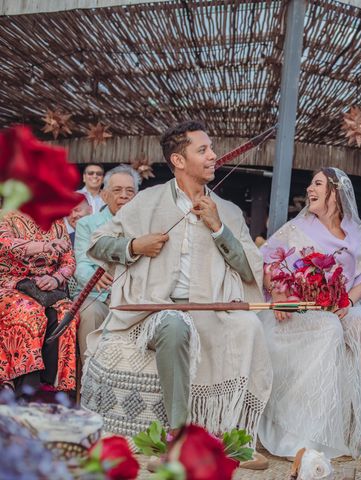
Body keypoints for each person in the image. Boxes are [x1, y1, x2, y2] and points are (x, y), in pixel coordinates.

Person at [81, 121, 272, 455]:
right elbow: (98, 244)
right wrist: (135, 245)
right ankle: (181, 436)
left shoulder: (227, 211)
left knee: (250, 325)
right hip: (151, 309)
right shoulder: (146, 201)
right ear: (179, 161)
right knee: (173, 322)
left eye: (211, 149)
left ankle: (235, 434)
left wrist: (218, 228)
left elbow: (248, 269)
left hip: (212, 309)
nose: (214, 156)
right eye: (204, 150)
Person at [259, 168, 361, 459]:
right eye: (310, 184)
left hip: (337, 305)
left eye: (317, 184)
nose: (309, 189)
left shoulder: (356, 234)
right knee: (330, 328)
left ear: (336, 193)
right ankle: (307, 433)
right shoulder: (297, 227)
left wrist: (346, 302)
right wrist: (280, 291)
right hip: (300, 310)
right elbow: (267, 262)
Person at [0, 211, 78, 394]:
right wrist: (44, 246)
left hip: (46, 287)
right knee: (29, 310)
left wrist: (56, 279)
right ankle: (26, 388)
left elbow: (69, 260)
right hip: (9, 284)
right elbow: (5, 244)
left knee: (67, 312)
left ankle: (55, 387)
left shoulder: (56, 221)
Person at [74, 164, 140, 359]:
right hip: (98, 295)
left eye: (130, 191)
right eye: (117, 190)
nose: (124, 195)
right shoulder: (88, 224)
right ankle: (89, 378)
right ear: (104, 195)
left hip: (133, 299)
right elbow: (81, 265)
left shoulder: (145, 226)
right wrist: (95, 278)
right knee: (91, 313)